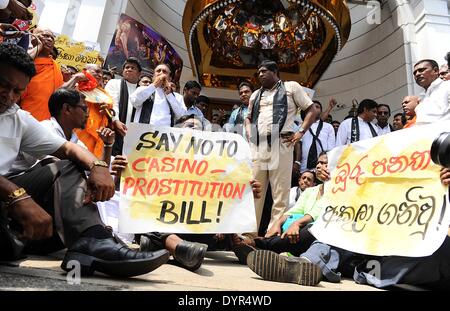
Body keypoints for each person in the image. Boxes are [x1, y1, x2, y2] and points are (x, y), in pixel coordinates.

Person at [0, 43, 169, 277]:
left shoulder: (17, 117)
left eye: (17, 91)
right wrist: (17, 196)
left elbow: (69, 149)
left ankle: (93, 241)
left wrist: (98, 166)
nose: (9, 96)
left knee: (73, 166)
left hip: (9, 210)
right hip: (9, 200)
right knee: (56, 169)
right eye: (4, 85)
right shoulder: (45, 123)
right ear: (67, 109)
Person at [244, 60, 319, 234]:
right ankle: (248, 234)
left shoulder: (291, 87)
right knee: (255, 189)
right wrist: (249, 132)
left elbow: (312, 110)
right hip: (259, 144)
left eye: (264, 71)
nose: (260, 74)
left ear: (275, 71)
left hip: (282, 143)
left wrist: (300, 132)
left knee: (280, 192)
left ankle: (272, 234)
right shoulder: (255, 94)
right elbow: (248, 117)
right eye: (259, 71)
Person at [20, 27, 64, 121]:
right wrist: (39, 46)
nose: (50, 39)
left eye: (52, 38)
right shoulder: (24, 56)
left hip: (48, 121)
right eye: (45, 36)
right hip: (24, 115)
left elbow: (60, 91)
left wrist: (75, 78)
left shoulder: (55, 65)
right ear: (33, 38)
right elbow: (21, 65)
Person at [74, 64, 115, 158]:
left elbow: (109, 121)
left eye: (101, 73)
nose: (100, 75)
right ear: (85, 71)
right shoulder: (75, 86)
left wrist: (106, 113)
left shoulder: (104, 95)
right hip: (78, 129)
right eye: (96, 71)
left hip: (97, 133)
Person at [129, 63, 187, 129]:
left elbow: (182, 117)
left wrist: (169, 95)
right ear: (153, 76)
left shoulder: (177, 97)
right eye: (158, 71)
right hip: (141, 133)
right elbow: (134, 101)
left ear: (170, 78)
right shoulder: (143, 89)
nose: (161, 73)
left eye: (164, 71)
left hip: (164, 136)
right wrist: (154, 85)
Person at [105, 57, 141, 155]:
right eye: (127, 67)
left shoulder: (142, 91)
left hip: (134, 137)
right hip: (114, 129)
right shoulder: (114, 83)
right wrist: (116, 121)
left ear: (139, 74)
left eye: (133, 68)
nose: (129, 69)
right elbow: (111, 103)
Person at [300, 100, 335, 172]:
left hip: (322, 167)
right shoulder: (301, 126)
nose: (314, 109)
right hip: (303, 166)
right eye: (312, 107)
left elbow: (331, 148)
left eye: (317, 107)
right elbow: (298, 145)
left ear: (321, 112)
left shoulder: (328, 127)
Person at [413, 59, 450, 124]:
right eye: (414, 73)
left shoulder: (447, 86)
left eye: (421, 70)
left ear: (435, 71)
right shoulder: (422, 98)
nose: (417, 74)